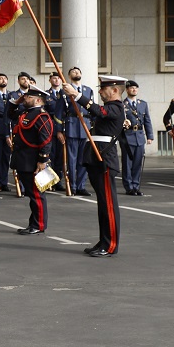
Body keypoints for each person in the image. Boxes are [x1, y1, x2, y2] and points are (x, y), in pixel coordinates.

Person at [63, 75, 126, 257]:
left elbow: (99, 111)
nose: (99, 91)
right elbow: (94, 112)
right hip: (95, 157)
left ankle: (110, 245)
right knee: (102, 205)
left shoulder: (116, 108)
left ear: (114, 90)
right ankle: (103, 241)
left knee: (108, 205)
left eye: (103, 88)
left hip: (105, 158)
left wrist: (77, 95)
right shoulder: (109, 108)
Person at [10, 85, 54, 235]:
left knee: (36, 195)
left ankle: (39, 224)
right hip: (23, 159)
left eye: (28, 96)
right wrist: (17, 101)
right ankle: (34, 223)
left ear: (37, 100)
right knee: (32, 194)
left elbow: (46, 140)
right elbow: (8, 115)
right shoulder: (25, 112)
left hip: (34, 161)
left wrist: (42, 160)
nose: (25, 98)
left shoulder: (41, 116)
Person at [64, 67, 94, 197]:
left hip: (85, 126)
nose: (76, 73)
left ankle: (81, 185)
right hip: (72, 125)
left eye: (78, 71)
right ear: (69, 76)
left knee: (84, 159)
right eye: (73, 72)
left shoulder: (88, 90)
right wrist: (60, 130)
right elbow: (60, 111)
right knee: (72, 159)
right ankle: (72, 185)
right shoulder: (65, 90)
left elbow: (92, 108)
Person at [121, 80, 154, 196]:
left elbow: (147, 121)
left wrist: (150, 136)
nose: (134, 89)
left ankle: (136, 186)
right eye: (131, 88)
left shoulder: (142, 104)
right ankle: (128, 187)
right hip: (127, 136)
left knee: (137, 163)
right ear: (127, 90)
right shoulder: (122, 104)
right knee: (127, 163)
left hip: (139, 136)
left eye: (136, 88)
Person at [45, 72, 69, 192]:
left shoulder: (65, 94)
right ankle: (51, 181)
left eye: (58, 78)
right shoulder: (46, 95)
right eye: (54, 78)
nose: (57, 80)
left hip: (63, 127)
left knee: (61, 157)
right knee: (51, 156)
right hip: (50, 129)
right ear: (50, 80)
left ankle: (58, 181)